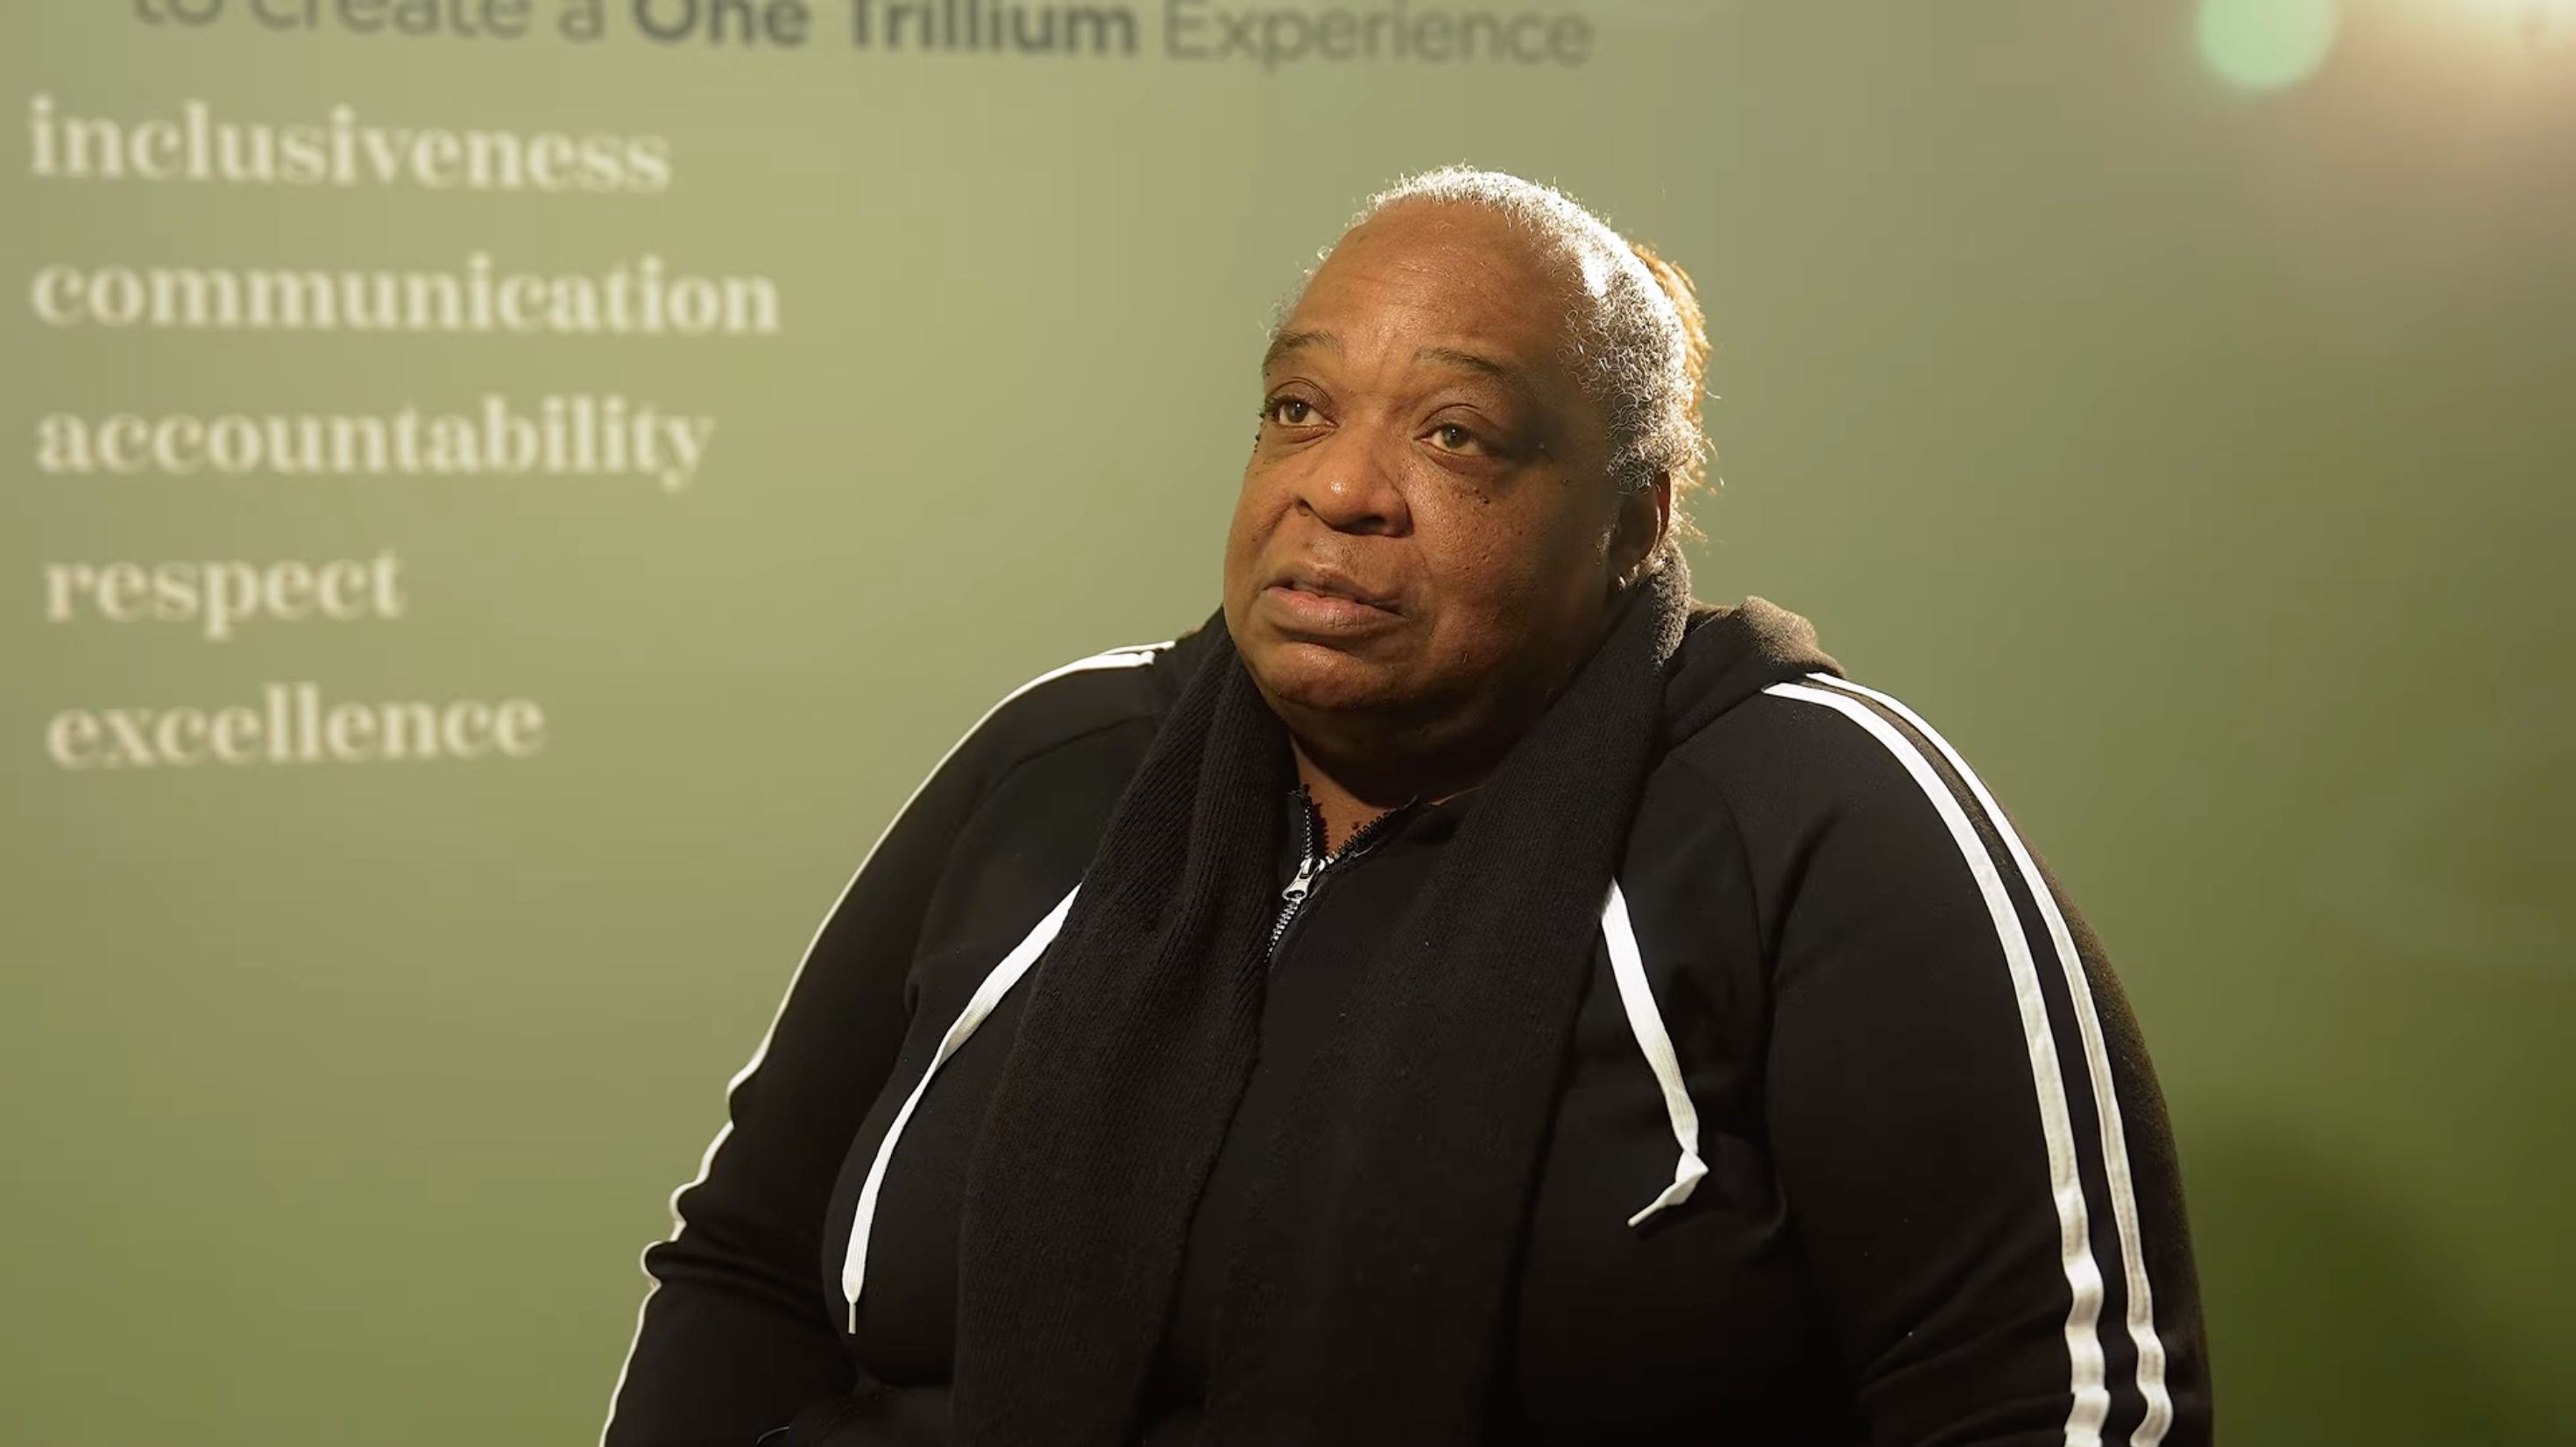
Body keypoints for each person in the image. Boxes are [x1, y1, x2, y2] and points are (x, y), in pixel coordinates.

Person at [600, 167, 2212, 1446]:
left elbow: (2060, 1401)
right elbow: (748, 1269)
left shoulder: (1821, 818)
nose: (1341, 487)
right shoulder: (1063, 766)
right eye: (1299, 409)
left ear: (1634, 520)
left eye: (1457, 434)